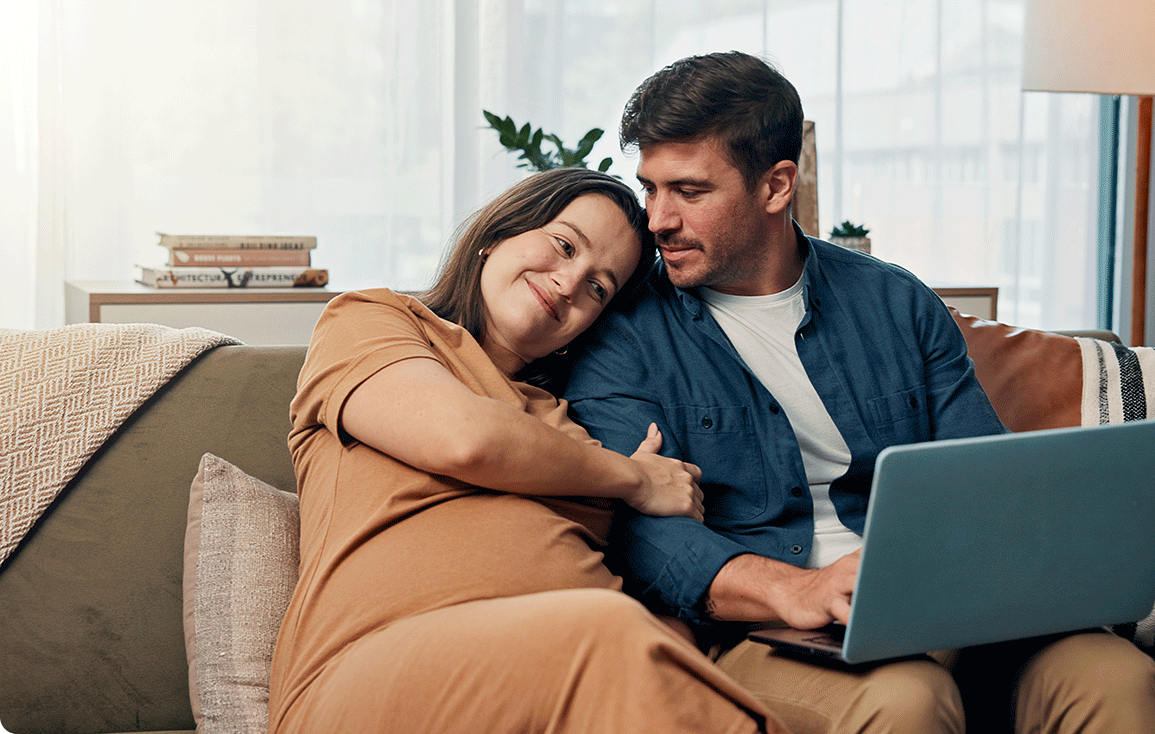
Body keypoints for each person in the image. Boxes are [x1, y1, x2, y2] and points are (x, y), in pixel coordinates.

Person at [564, 52, 1155, 734]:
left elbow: (983, 475)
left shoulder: (895, 301)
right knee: (906, 694)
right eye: (649, 188)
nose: (657, 220)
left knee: (1114, 674)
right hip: (770, 630)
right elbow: (642, 533)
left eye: (690, 191)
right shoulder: (622, 333)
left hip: (943, 608)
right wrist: (796, 589)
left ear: (776, 186)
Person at [266, 167, 788, 734]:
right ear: (501, 231)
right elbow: (466, 440)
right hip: (361, 681)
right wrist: (637, 479)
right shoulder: (376, 322)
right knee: (607, 632)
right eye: (564, 246)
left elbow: (644, 582)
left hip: (567, 688)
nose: (569, 282)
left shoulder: (571, 430)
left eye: (598, 288)